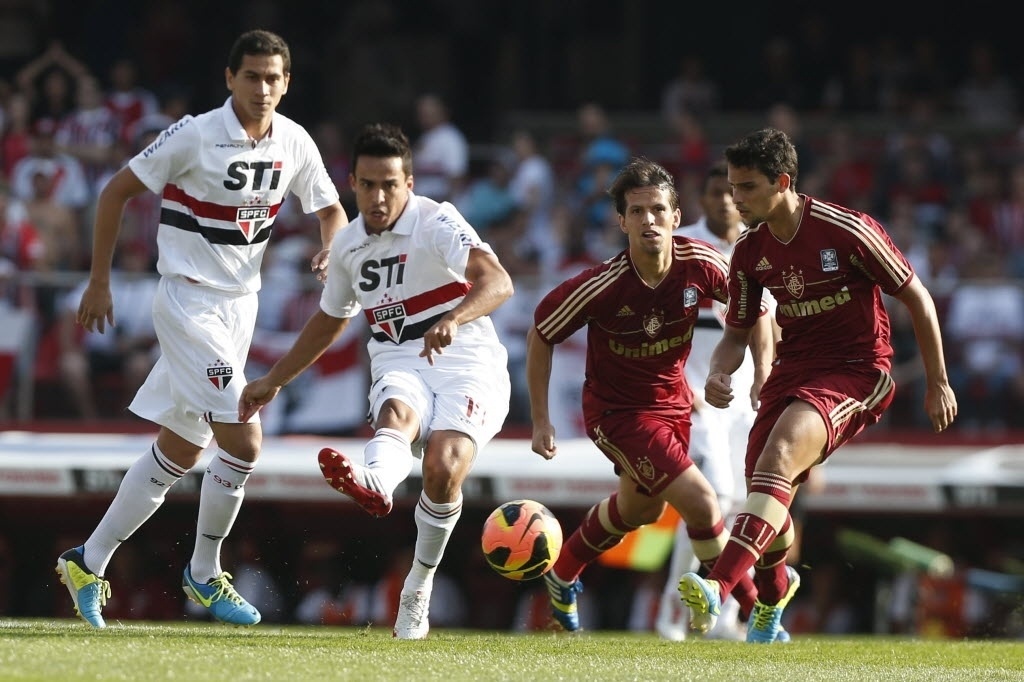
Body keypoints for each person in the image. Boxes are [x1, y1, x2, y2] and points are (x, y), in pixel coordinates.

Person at [55, 29, 348, 629]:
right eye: (252, 77)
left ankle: (89, 560)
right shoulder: (192, 134)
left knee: (182, 449)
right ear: (229, 79)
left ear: (286, 83)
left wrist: (328, 245)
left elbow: (330, 209)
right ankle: (205, 573)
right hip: (187, 303)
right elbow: (115, 193)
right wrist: (100, 282)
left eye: (273, 78)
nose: (263, 88)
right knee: (244, 438)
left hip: (242, 309)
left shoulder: (293, 140)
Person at [679, 127, 957, 643]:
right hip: (793, 371)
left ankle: (717, 587)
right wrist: (721, 370)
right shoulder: (750, 250)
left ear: (783, 182)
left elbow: (918, 297)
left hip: (857, 370)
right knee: (765, 488)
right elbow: (735, 333)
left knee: (779, 456)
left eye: (747, 187)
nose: (735, 199)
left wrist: (938, 381)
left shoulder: (848, 229)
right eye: (733, 188)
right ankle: (774, 591)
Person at [239, 122, 513, 640]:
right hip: (397, 356)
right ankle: (377, 482)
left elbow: (497, 279)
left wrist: (453, 318)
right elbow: (329, 320)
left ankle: (418, 588)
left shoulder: (437, 221)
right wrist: (273, 380)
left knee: (443, 466)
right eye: (368, 184)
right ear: (353, 184)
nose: (379, 195)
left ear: (408, 182)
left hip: (467, 356)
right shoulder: (347, 246)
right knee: (396, 415)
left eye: (390, 183)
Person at [526, 157, 772, 632]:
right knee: (704, 502)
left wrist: (761, 371)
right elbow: (541, 332)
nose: (649, 220)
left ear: (676, 217)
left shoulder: (699, 263)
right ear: (621, 221)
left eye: (658, 210)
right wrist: (541, 420)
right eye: (636, 212)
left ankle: (563, 572)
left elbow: (754, 304)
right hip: (617, 413)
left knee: (642, 509)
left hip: (674, 406)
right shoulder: (602, 285)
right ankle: (758, 610)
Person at [656, 162, 775, 642]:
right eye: (715, 193)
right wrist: (680, 388)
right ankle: (687, 613)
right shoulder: (680, 245)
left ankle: (707, 613)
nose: (726, 201)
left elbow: (772, 323)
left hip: (748, 395)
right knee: (716, 499)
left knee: (745, 504)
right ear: (701, 201)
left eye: (732, 193)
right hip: (695, 395)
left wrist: (769, 378)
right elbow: (659, 326)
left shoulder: (762, 246)